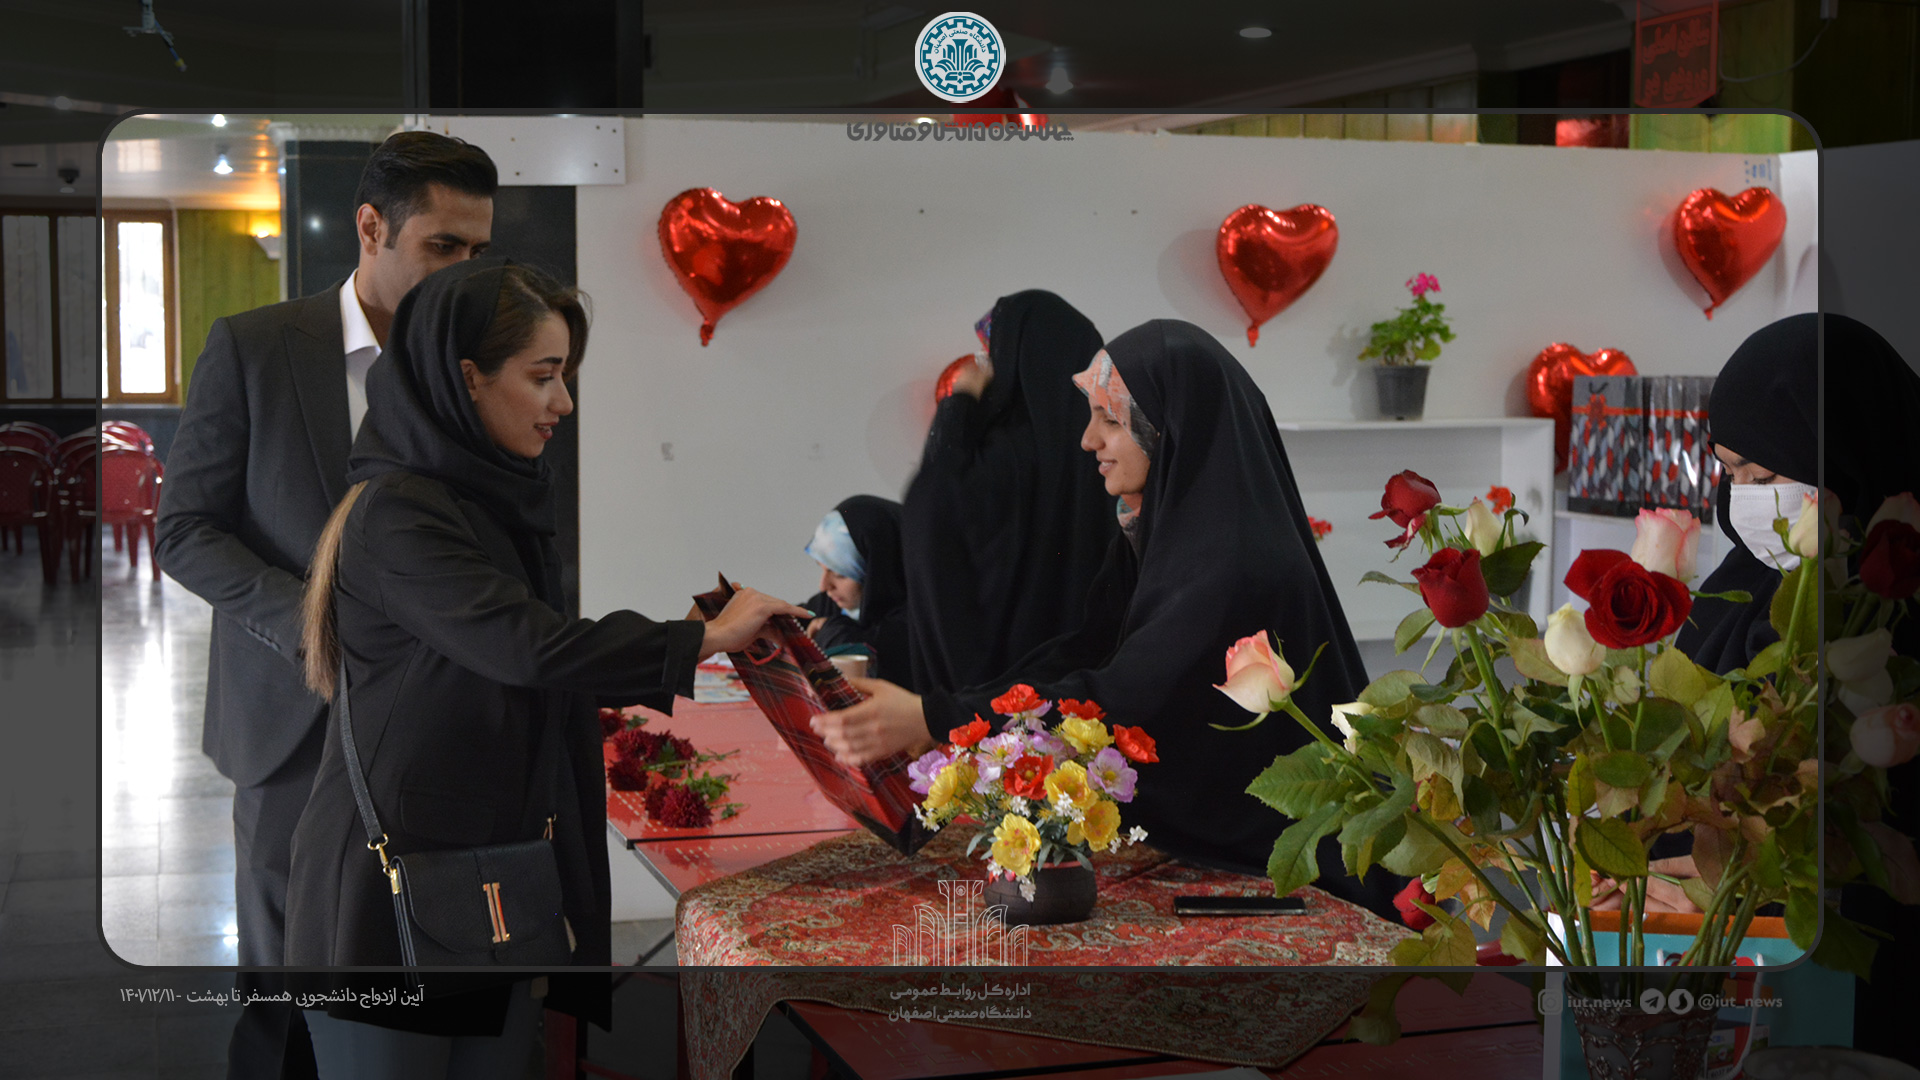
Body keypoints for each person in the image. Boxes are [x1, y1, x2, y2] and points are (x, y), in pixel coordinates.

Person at [282, 258, 802, 1071]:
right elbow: (527, 647)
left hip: (487, 868)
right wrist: (701, 639)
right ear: (468, 378)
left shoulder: (489, 501)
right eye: (543, 376)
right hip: (388, 892)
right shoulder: (398, 511)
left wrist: (693, 641)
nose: (564, 403)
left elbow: (533, 655)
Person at [815, 320, 1400, 916]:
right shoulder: (1167, 534)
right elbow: (1082, 650)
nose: (1087, 440)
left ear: (1169, 427)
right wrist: (946, 713)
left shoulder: (1235, 563)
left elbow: (1123, 695)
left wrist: (936, 717)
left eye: (1110, 420)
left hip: (1286, 868)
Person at [153, 130, 497, 1080]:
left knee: (406, 962)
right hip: (290, 717)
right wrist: (307, 625)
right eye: (442, 246)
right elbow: (184, 531)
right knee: (284, 975)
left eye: (478, 251)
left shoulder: (473, 367)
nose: (464, 273)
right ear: (371, 226)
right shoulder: (256, 347)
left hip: (430, 716)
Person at [903, 290, 1117, 694]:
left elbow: (931, 506)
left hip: (1000, 697)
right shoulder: (1105, 447)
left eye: (994, 352)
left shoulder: (1003, 454)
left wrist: (960, 403)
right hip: (1088, 692)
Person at [800, 495, 912, 686]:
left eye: (840, 574)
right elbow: (798, 619)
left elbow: (868, 657)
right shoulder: (838, 601)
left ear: (877, 575)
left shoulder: (916, 624)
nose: (824, 586)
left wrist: (830, 630)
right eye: (822, 567)